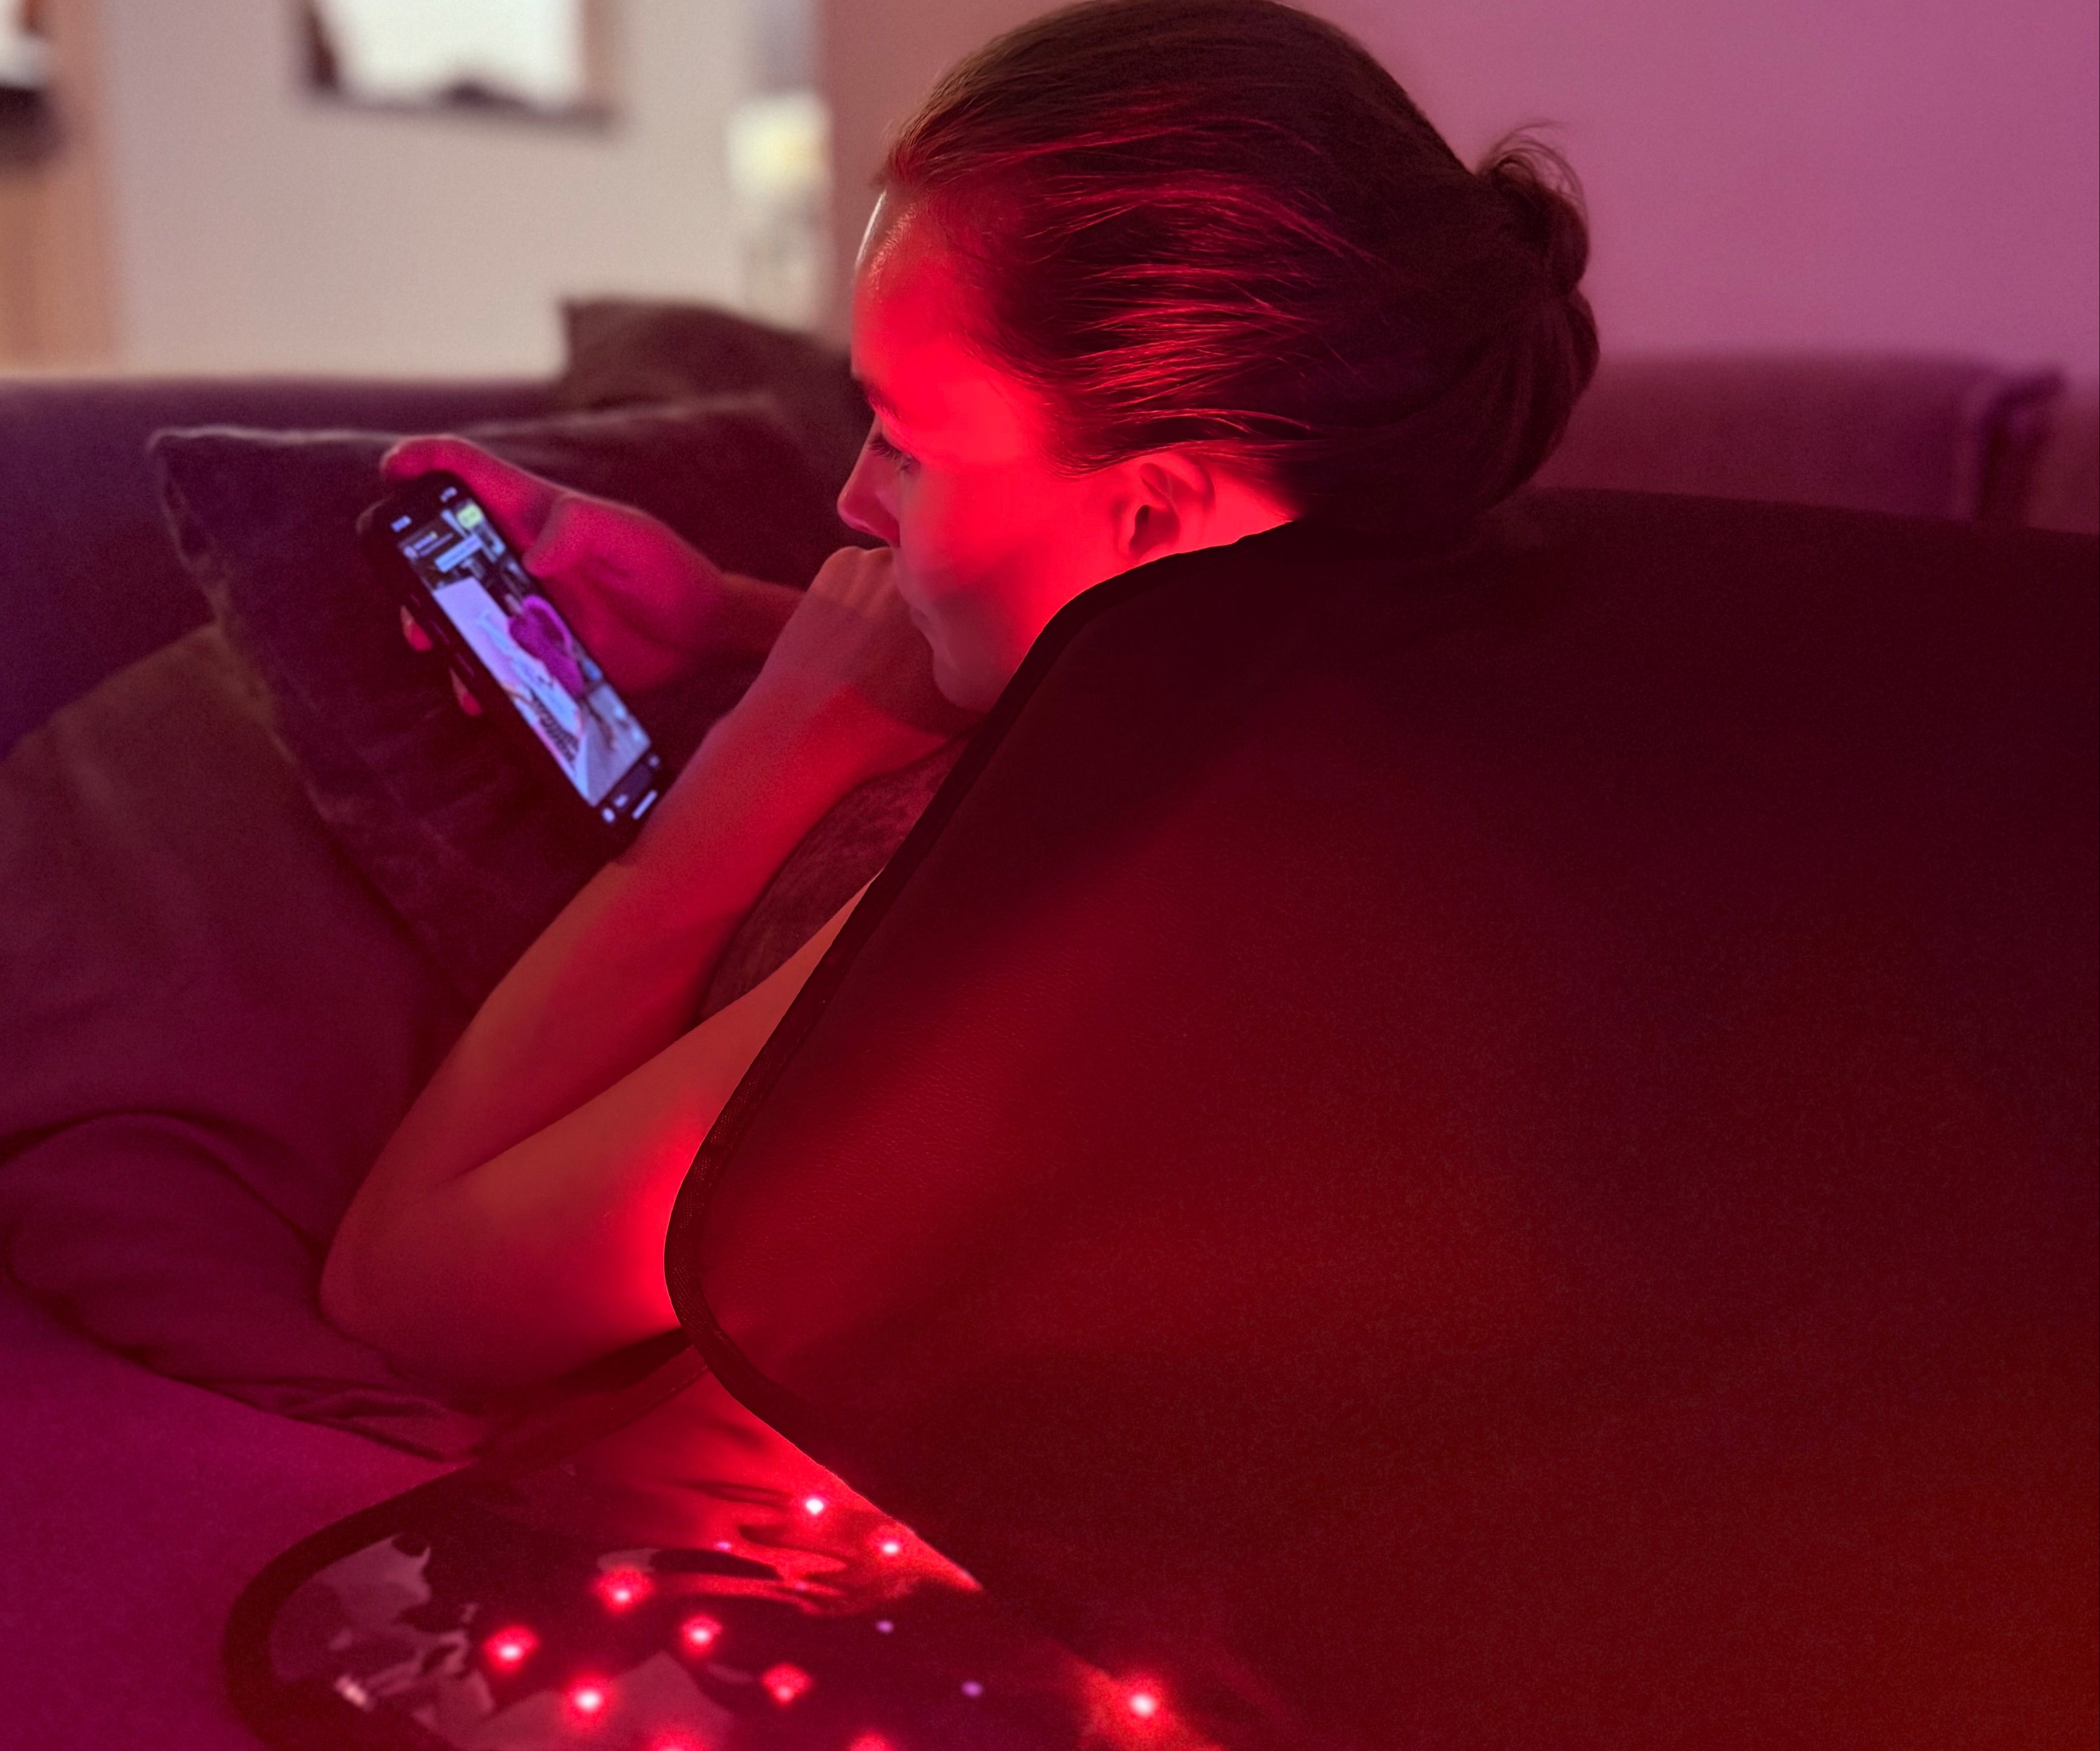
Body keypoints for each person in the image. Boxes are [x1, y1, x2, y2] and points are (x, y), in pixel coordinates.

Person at [321, 0, 1597, 1388]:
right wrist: (729, 625)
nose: (852, 498)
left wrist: (754, 777)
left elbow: (409, 1293)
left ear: (1156, 519)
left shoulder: (1079, 920)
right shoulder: (1419, 640)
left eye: (909, 447)